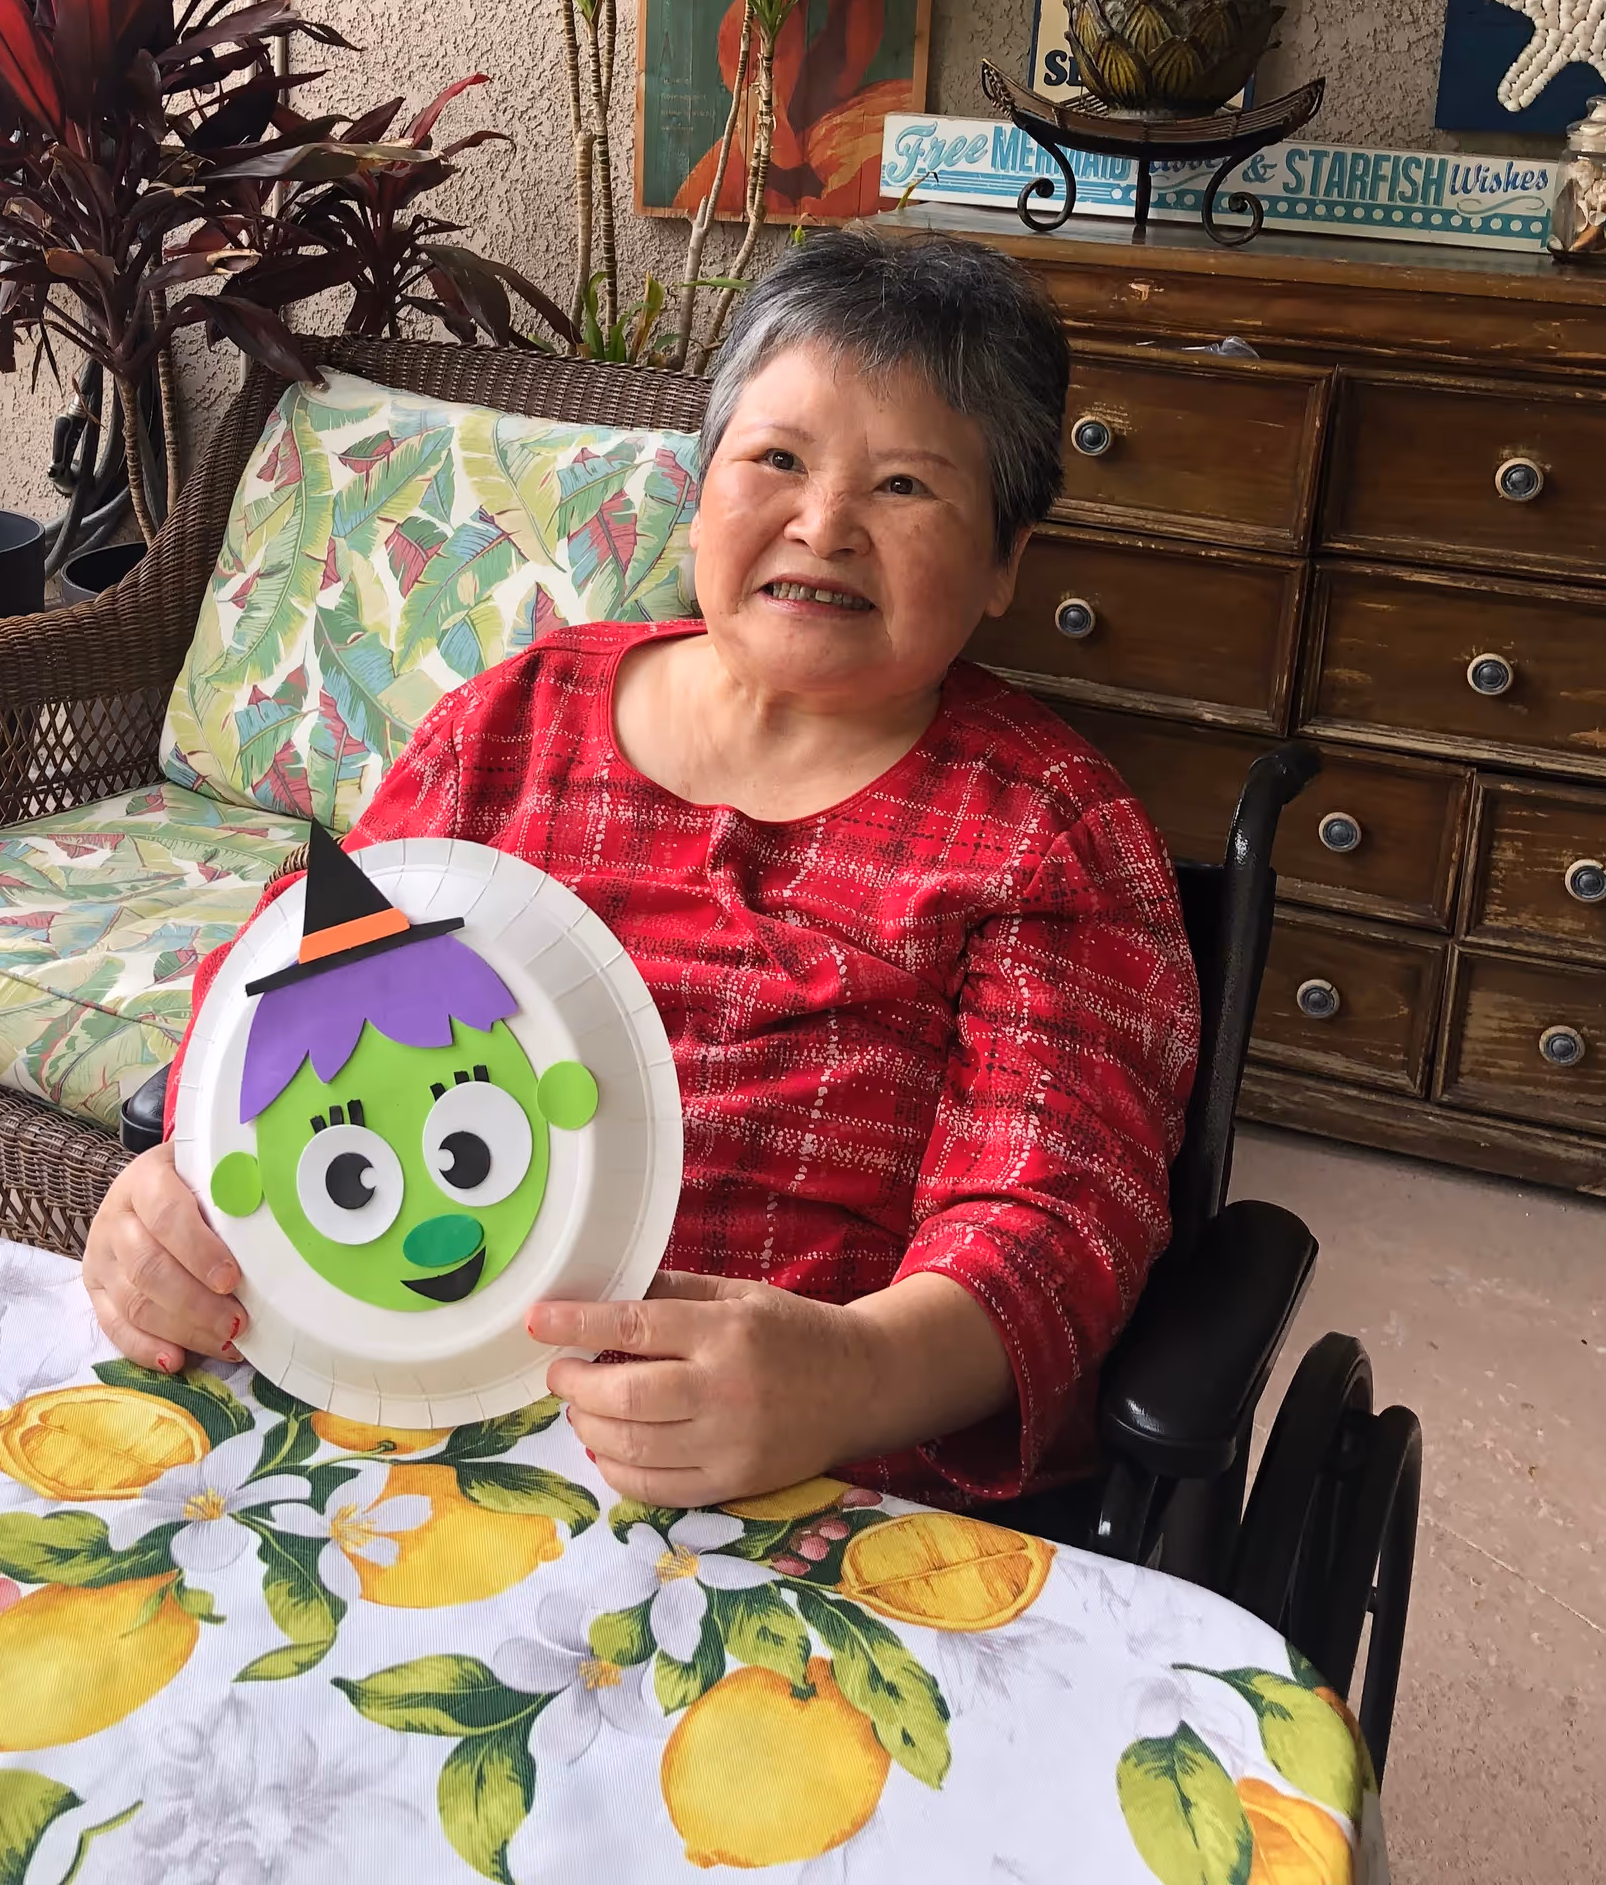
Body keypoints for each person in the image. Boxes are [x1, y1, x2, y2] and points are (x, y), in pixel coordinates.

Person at [83, 228, 1199, 1514]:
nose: (823, 523)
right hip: (405, 1412)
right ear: (705, 480)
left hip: (803, 1491)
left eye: (905, 487)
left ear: (1007, 558)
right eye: (776, 458)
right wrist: (167, 1207)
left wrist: (849, 1375)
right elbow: (279, 1004)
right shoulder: (516, 721)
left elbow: (1051, 1218)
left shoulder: (1047, 833)